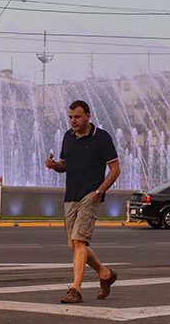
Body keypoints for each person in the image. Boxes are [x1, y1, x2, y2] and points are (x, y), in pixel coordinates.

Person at [45, 100, 120, 304]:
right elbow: (65, 165)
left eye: (77, 117)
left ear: (88, 116)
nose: (73, 121)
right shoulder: (68, 137)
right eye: (70, 117)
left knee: (79, 241)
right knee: (75, 245)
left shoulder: (101, 137)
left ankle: (75, 289)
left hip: (91, 195)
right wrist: (54, 166)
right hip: (71, 196)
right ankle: (105, 274)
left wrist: (99, 191)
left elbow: (115, 169)